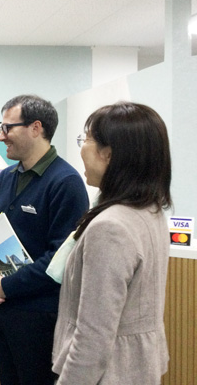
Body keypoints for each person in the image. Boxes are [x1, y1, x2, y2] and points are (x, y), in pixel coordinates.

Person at [0, 94, 89, 384]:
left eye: (7, 128)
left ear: (36, 128)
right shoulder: (6, 178)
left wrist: (6, 286)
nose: (1, 136)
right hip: (3, 310)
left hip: (39, 316)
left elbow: (61, 259)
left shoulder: (66, 182)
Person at [52, 102, 171, 384]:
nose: (82, 148)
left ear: (108, 153)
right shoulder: (149, 211)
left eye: (86, 139)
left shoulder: (110, 227)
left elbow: (93, 337)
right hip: (136, 367)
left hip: (109, 372)